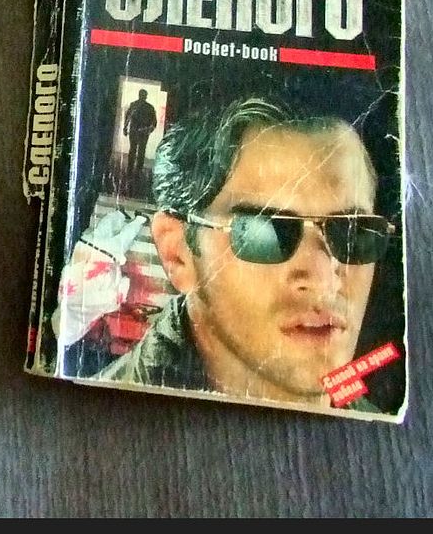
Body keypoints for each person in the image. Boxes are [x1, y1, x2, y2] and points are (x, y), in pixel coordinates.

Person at [56, 97, 397, 411]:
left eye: (353, 232)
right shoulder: (101, 416)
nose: (324, 281)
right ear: (178, 254)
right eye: (265, 233)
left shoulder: (379, 427)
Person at [122, 89, 159, 176]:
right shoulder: (149, 107)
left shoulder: (134, 105)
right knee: (141, 151)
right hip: (143, 132)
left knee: (133, 150)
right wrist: (149, 130)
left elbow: (128, 117)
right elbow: (154, 122)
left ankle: (130, 169)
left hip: (135, 131)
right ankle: (138, 170)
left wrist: (125, 128)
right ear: (146, 96)